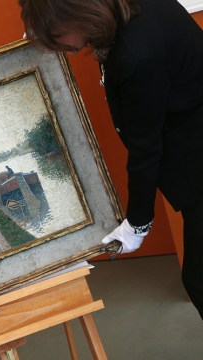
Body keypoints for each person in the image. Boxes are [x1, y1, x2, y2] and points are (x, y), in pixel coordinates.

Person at [19, 0, 203, 318]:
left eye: (59, 34)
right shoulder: (130, 11)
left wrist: (138, 222)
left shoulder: (136, 54)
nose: (59, 46)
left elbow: (146, 149)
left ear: (79, 13)